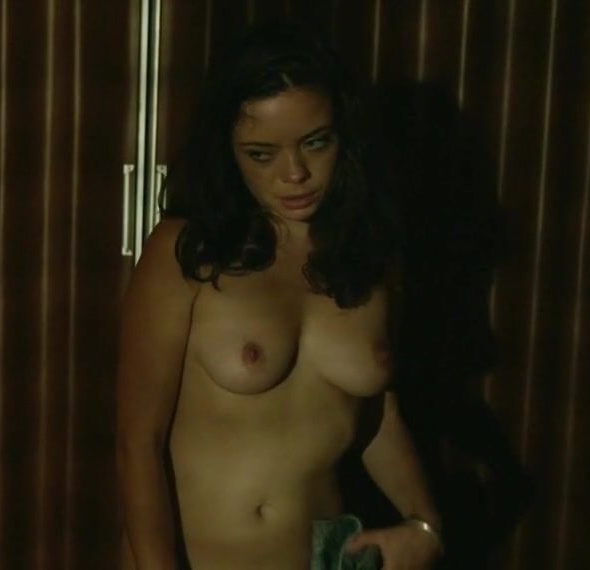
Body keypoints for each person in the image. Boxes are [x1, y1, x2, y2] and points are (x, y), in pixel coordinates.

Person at [116, 22, 444, 570]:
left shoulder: (366, 254)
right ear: (229, 151)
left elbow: (373, 412)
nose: (295, 174)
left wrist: (425, 523)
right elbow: (137, 444)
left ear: (344, 135)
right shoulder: (189, 253)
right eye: (262, 153)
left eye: (315, 142)